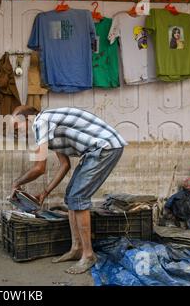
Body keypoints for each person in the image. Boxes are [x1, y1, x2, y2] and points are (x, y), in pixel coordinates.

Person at [10, 105, 127, 274]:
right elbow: (65, 165)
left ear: (26, 119)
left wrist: (16, 183)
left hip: (105, 147)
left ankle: (88, 255)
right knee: (71, 197)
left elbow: (39, 168)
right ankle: (77, 248)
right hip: (96, 150)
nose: (17, 131)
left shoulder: (40, 122)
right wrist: (45, 192)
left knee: (78, 198)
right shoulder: (49, 125)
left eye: (16, 126)